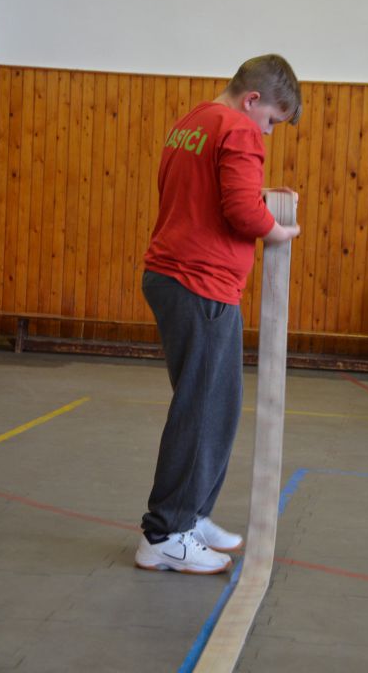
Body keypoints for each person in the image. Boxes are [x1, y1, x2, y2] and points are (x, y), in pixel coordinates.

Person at [135, 54, 302, 574]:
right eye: (271, 120)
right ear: (252, 100)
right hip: (200, 284)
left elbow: (205, 195)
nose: (268, 133)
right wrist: (279, 230)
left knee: (216, 405)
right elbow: (242, 211)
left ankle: (191, 515)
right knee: (204, 409)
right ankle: (165, 534)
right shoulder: (238, 129)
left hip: (176, 276)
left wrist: (259, 200)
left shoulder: (193, 122)